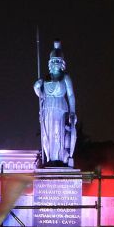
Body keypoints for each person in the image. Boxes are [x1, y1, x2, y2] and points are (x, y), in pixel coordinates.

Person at [33, 39, 77, 167]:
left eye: (58, 61)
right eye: (53, 61)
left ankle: (60, 157)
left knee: (58, 133)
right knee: (47, 134)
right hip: (47, 108)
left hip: (60, 107)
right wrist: (36, 86)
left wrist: (73, 111)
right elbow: (40, 94)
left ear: (62, 63)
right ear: (50, 63)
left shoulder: (66, 77)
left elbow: (71, 95)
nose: (55, 63)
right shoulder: (45, 79)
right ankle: (49, 158)